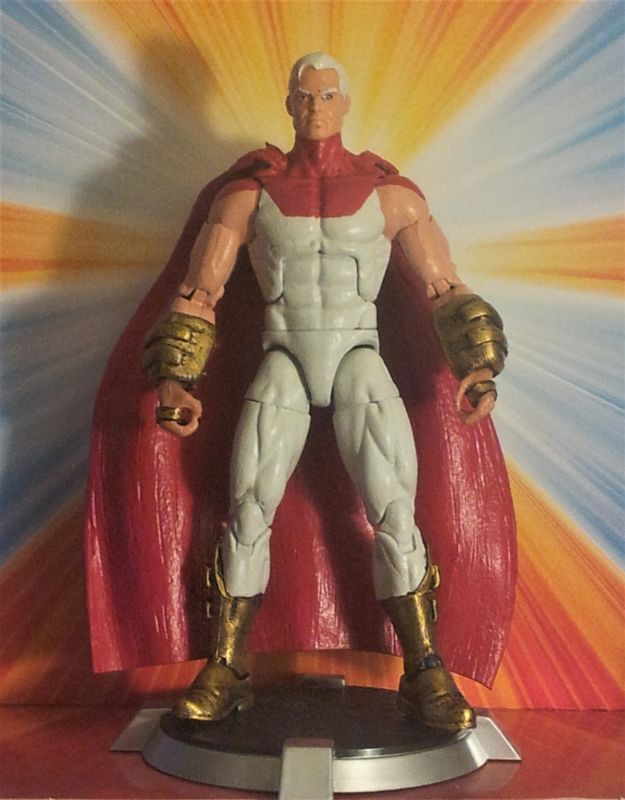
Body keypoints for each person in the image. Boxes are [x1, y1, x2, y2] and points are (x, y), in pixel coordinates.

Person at [142, 53, 509, 732]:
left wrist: (478, 363)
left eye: (327, 95)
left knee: (394, 508)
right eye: (304, 96)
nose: (315, 107)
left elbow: (443, 287)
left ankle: (424, 669)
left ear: (344, 103)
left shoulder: (391, 196)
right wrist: (176, 376)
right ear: (289, 103)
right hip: (283, 353)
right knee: (248, 507)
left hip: (356, 356)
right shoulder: (247, 196)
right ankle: (227, 668)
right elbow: (198, 292)